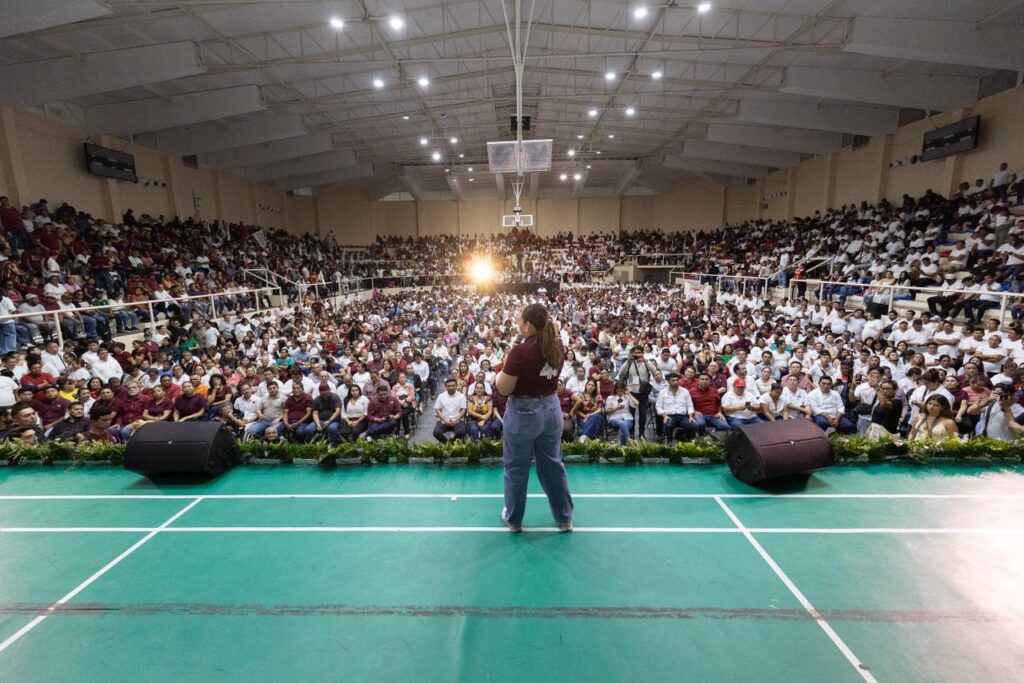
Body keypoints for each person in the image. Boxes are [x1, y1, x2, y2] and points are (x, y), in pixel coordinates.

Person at [495, 303, 573, 533]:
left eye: (520, 321)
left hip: (524, 414)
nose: (518, 324)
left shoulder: (520, 351)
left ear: (528, 325)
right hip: (551, 410)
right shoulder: (557, 345)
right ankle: (564, 518)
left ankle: (514, 520)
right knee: (552, 465)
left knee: (516, 468)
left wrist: (503, 367)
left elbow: (504, 388)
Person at [433, 377, 467, 442]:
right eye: (449, 386)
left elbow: (463, 410)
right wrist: (445, 420)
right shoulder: (441, 396)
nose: (451, 387)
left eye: (453, 386)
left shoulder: (461, 396)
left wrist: (456, 419)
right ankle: (447, 443)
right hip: (444, 420)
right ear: (446, 387)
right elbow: (437, 410)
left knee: (461, 432)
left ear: (456, 386)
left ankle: (451, 443)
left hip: (458, 420)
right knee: (436, 433)